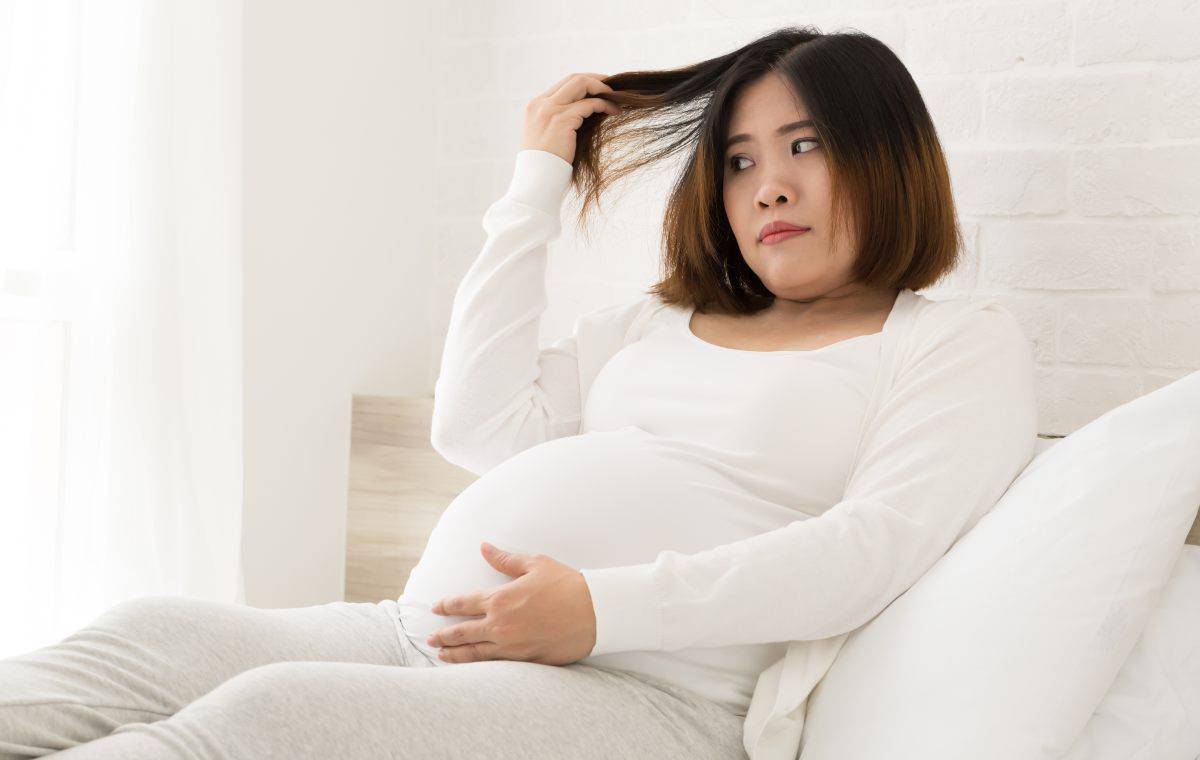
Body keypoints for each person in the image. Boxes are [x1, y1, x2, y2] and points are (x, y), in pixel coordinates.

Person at [0, 26, 1037, 760]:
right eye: (737, 159)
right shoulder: (656, 322)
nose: (767, 184)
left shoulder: (950, 344)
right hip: (417, 628)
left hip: (647, 696)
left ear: (890, 156)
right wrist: (536, 179)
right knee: (143, 641)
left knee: (265, 721)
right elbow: (477, 421)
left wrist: (597, 609)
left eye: (805, 146)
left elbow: (867, 552)